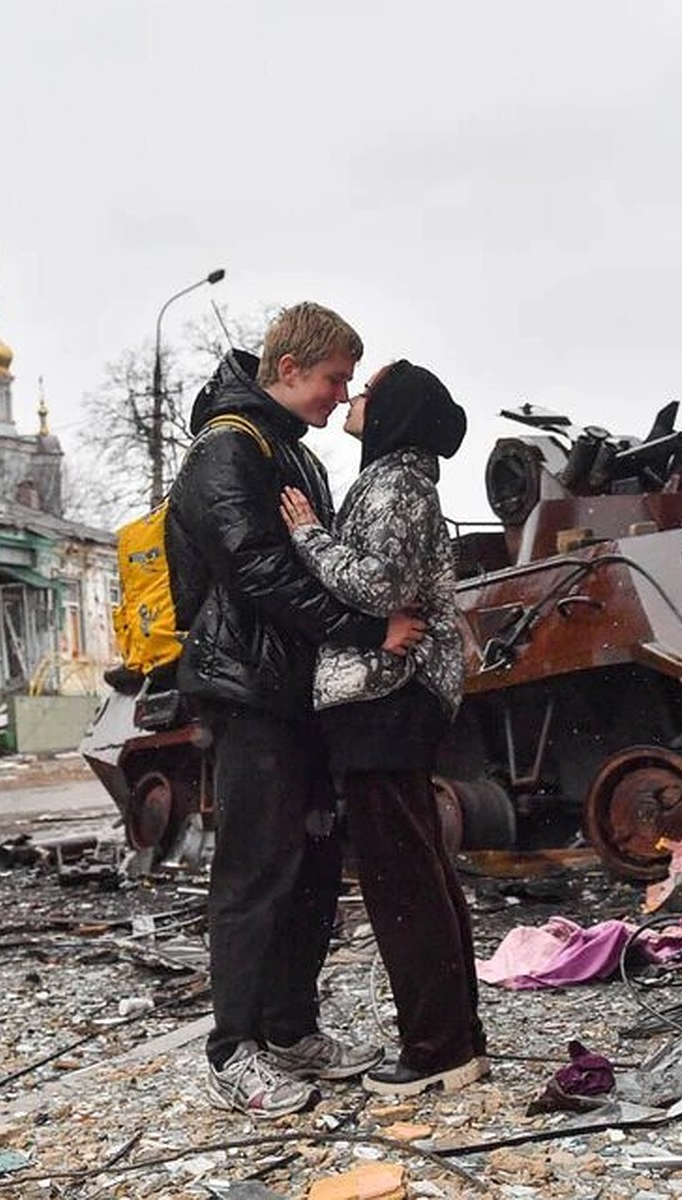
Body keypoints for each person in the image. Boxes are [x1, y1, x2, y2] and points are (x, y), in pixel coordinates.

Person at [166, 303, 427, 1119]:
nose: (339, 395)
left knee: (311, 867)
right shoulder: (227, 450)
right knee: (254, 871)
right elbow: (259, 575)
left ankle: (289, 1027)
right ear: (287, 370)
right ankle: (231, 1049)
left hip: (299, 690)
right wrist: (368, 631)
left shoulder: (292, 455)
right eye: (333, 380)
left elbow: (321, 565)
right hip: (250, 693)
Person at [279, 359, 488, 1097]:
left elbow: (383, 588)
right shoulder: (398, 480)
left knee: (402, 881)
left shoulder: (396, 485)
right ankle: (456, 1037)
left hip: (387, 694)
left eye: (369, 392)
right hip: (393, 698)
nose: (354, 397)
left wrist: (308, 536)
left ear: (396, 412)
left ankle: (436, 1049)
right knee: (421, 871)